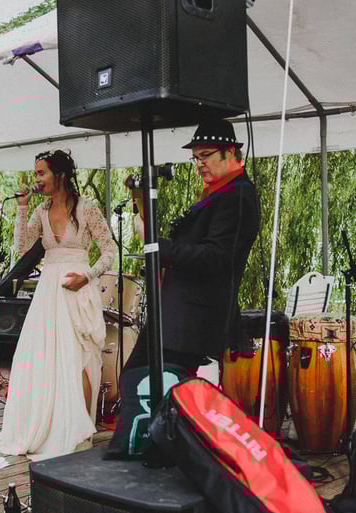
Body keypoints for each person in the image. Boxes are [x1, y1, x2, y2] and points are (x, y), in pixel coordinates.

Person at [107, 118, 261, 457]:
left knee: (159, 383)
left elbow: (217, 257)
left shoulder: (238, 197)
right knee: (141, 377)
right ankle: (148, 449)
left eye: (206, 155)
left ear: (231, 152)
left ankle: (159, 452)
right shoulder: (220, 193)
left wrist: (159, 247)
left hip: (193, 315)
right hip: (178, 311)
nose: (199, 164)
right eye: (195, 157)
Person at [0, 149, 116, 461]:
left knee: (80, 359)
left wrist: (87, 276)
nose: (37, 180)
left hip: (77, 288)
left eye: (41, 173)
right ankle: (48, 425)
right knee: (43, 360)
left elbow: (108, 252)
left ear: (59, 174)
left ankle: (80, 429)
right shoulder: (39, 212)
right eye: (35, 174)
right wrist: (22, 209)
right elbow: (22, 251)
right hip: (49, 291)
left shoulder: (87, 210)